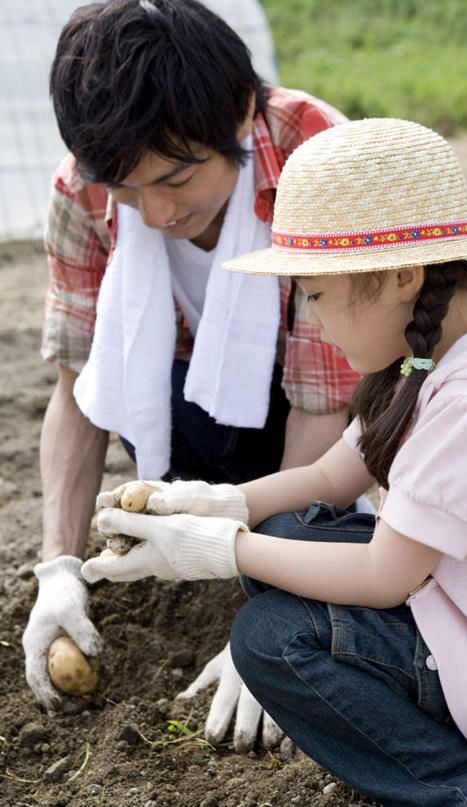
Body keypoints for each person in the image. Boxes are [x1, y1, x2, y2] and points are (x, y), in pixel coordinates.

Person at [82, 118, 467, 807]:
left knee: (271, 638)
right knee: (283, 530)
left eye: (319, 295)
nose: (315, 320)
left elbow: (383, 575)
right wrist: (208, 505)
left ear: (400, 275)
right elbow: (332, 477)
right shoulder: (437, 352)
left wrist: (213, 550)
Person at [23, 0, 363, 739]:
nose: (151, 212)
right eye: (124, 188)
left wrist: (272, 616)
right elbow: (78, 390)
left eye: (175, 179)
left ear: (241, 114)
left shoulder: (316, 157)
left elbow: (323, 401)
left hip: (321, 409)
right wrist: (58, 566)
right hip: (192, 411)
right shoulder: (79, 189)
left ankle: (313, 550)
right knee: (137, 395)